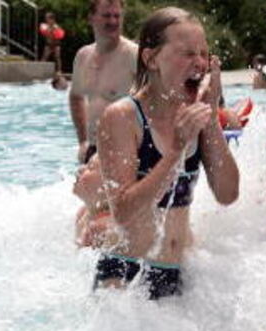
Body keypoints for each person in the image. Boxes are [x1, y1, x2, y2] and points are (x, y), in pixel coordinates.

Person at [95, 7, 239, 299]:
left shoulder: (198, 117)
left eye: (203, 53)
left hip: (177, 273)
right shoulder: (123, 117)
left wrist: (211, 117)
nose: (199, 63)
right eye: (187, 54)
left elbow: (227, 194)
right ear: (151, 59)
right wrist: (175, 152)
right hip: (126, 274)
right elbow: (123, 213)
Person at [69, 0, 137, 164]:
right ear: (91, 18)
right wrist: (83, 141)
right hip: (94, 150)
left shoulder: (134, 55)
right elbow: (76, 97)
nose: (113, 21)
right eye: (106, 16)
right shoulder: (83, 56)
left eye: (117, 16)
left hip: (128, 152)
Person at [73, 155, 117, 248]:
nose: (81, 169)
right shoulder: (83, 212)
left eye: (90, 168)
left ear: (107, 187)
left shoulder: (101, 228)